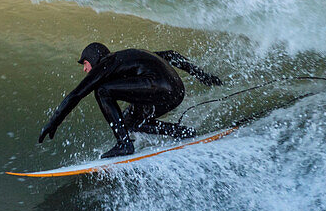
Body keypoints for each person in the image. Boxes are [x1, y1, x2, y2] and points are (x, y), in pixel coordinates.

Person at [38, 42, 224, 158]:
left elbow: (76, 94)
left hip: (159, 88)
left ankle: (124, 144)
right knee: (129, 121)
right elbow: (170, 55)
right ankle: (182, 132)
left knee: (102, 91)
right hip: (175, 92)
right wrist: (202, 75)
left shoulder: (107, 64)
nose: (85, 70)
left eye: (85, 64)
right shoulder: (127, 58)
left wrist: (53, 122)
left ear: (94, 59)